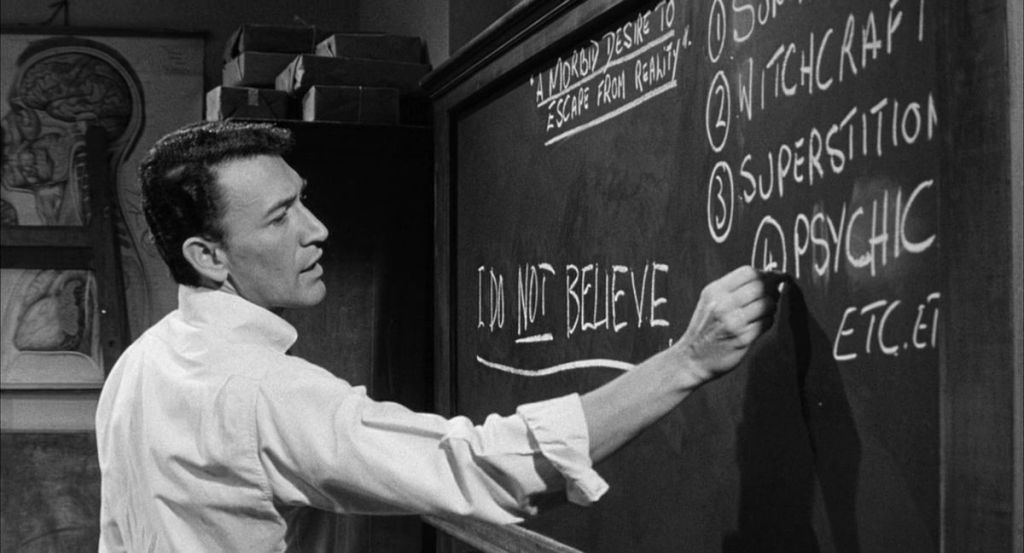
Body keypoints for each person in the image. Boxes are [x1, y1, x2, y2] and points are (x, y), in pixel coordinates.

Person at [95, 120, 776, 552]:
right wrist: (686, 361)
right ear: (209, 256)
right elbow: (476, 467)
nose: (317, 228)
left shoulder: (138, 364)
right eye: (280, 217)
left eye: (303, 197)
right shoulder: (260, 392)